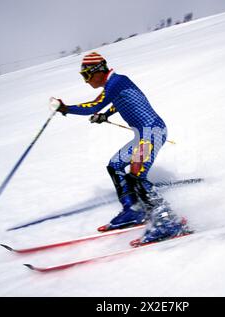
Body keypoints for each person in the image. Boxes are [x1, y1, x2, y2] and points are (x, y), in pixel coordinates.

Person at [53, 52, 190, 245]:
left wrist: (65, 108)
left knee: (136, 172)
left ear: (97, 71)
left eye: (86, 75)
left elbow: (93, 106)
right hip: (143, 135)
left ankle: (168, 222)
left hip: (153, 132)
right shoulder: (114, 85)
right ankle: (132, 210)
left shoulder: (116, 82)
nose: (85, 81)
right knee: (115, 164)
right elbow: (120, 101)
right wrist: (105, 114)